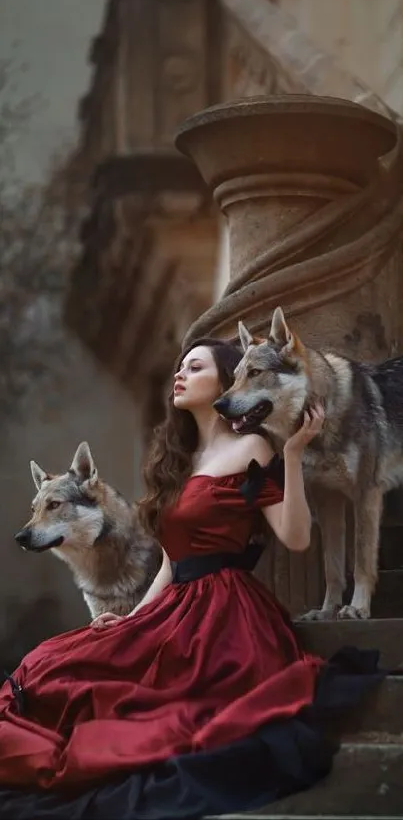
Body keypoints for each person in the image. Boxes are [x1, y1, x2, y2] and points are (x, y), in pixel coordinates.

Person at [0, 338, 382, 820]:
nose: (180, 373)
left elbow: (297, 536)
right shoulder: (178, 462)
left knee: (169, 715)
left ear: (225, 381)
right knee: (49, 664)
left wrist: (293, 453)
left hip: (223, 614)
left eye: (194, 366)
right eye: (179, 366)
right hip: (172, 605)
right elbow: (169, 562)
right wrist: (132, 619)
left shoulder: (253, 447)